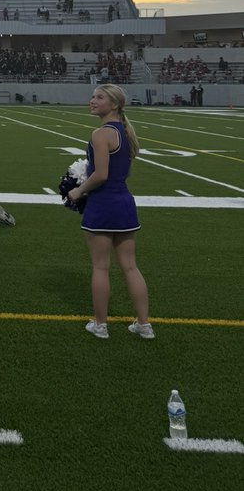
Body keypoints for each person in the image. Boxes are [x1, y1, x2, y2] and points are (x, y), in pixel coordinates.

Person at [67, 84, 153, 340]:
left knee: (101, 267)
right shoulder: (125, 132)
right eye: (93, 96)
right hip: (125, 204)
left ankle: (101, 325)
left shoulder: (101, 133)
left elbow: (101, 175)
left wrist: (78, 190)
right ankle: (144, 325)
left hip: (103, 205)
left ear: (114, 104)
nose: (92, 100)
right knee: (130, 267)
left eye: (99, 97)